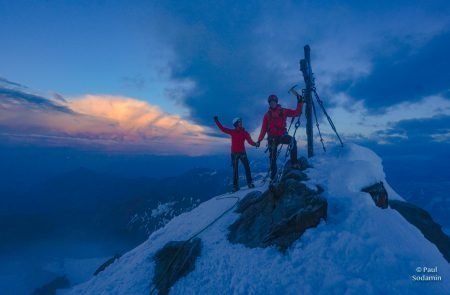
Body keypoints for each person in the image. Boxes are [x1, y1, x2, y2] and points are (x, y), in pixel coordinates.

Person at [256, 94, 304, 181]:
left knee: (292, 141)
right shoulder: (267, 115)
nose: (272, 103)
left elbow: (296, 113)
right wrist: (259, 140)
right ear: (269, 103)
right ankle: (273, 176)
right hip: (272, 138)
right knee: (273, 157)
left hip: (281, 136)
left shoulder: (283, 111)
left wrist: (300, 102)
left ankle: (294, 162)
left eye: (273, 101)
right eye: (271, 102)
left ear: (276, 102)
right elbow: (263, 129)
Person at [214, 116, 257, 192]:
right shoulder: (236, 132)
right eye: (240, 122)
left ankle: (245, 184)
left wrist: (255, 144)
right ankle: (238, 186)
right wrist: (217, 121)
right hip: (237, 153)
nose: (241, 123)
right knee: (237, 170)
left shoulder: (244, 133)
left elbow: (250, 141)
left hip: (236, 153)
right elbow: (223, 129)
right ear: (236, 124)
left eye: (241, 122)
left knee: (245, 168)